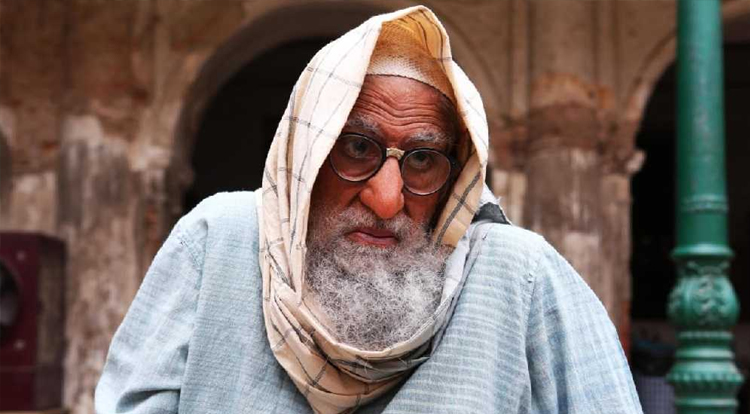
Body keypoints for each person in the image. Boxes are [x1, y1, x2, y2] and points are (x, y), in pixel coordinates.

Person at [95, 6, 643, 414]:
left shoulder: (520, 277)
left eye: (422, 160)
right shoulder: (218, 243)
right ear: (307, 157)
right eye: (357, 148)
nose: (386, 198)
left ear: (454, 179)